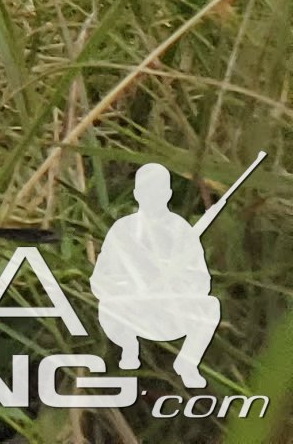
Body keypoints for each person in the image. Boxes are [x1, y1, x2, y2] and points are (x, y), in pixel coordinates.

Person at [93, 163, 222, 387]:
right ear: (136, 193)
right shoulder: (123, 230)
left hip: (171, 311)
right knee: (106, 306)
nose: (152, 196)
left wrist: (177, 284)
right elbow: (99, 279)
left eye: (158, 190)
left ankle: (187, 363)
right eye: (146, 190)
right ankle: (129, 349)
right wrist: (128, 288)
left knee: (211, 306)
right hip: (132, 309)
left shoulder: (181, 231)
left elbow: (203, 281)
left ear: (168, 193)